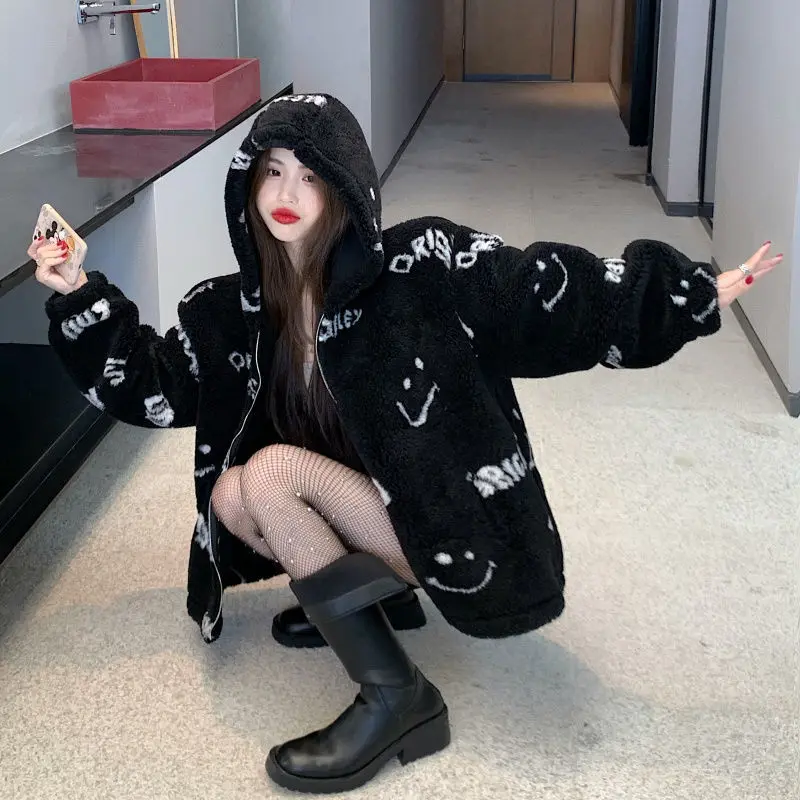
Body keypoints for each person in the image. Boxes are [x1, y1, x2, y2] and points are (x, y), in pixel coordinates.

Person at [31, 93, 782, 794]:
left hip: (438, 519)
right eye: (272, 171)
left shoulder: (419, 269)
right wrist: (78, 293)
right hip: (366, 506)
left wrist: (682, 295)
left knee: (270, 474)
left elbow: (540, 298)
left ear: (345, 188)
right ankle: (371, 599)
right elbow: (154, 385)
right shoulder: (234, 311)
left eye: (311, 176)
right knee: (232, 495)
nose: (287, 193)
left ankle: (398, 698)